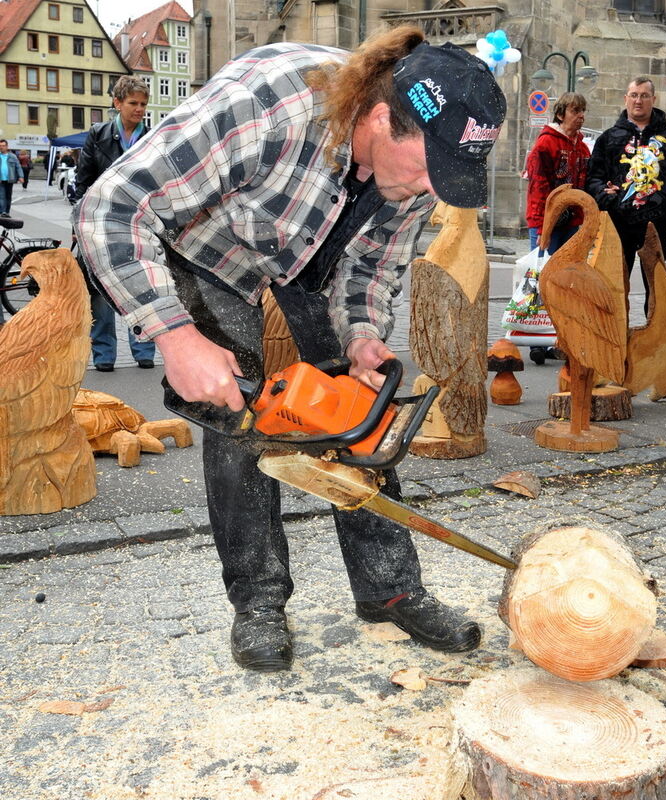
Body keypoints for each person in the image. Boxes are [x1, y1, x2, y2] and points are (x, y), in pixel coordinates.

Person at [74, 27, 506, 673]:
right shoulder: (267, 104)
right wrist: (176, 335)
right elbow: (110, 207)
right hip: (208, 251)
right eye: (425, 170)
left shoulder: (413, 174)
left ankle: (391, 588)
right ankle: (259, 601)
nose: (428, 191)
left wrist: (361, 336)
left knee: (359, 417)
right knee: (241, 415)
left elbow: (371, 269)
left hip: (306, 260)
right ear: (384, 119)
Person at [74, 76, 156, 371]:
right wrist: (79, 221)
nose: (139, 109)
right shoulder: (98, 134)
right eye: (133, 103)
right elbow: (82, 183)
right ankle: (105, 354)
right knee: (99, 292)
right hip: (98, 224)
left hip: (138, 224)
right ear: (117, 103)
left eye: (143, 104)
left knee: (143, 287)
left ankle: (144, 349)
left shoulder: (152, 137)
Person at [586, 77, 666, 278]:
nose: (638, 101)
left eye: (644, 96)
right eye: (634, 95)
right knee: (615, 283)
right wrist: (605, 194)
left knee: (657, 287)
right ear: (626, 99)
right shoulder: (609, 138)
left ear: (653, 98)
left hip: (657, 223)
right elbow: (593, 178)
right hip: (618, 223)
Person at [523, 92, 590, 254]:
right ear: (560, 114)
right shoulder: (546, 144)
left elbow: (586, 185)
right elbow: (538, 187)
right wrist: (541, 227)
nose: (581, 115)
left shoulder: (583, 148)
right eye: (575, 111)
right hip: (547, 222)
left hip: (571, 223)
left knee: (566, 274)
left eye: (582, 110)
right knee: (543, 272)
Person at [0, 139, 24, 217]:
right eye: (0, 146)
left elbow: (18, 167)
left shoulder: (12, 156)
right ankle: (3, 211)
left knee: (8, 196)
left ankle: (7, 211)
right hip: (1, 180)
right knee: (2, 196)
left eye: (3, 146)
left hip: (10, 179)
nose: (1, 147)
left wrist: (21, 176)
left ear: (7, 147)